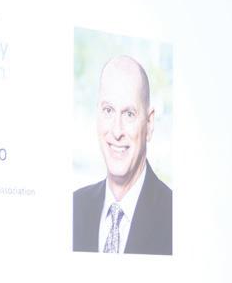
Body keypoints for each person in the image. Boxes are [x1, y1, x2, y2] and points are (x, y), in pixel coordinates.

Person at [73, 55, 172, 255]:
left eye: (129, 114)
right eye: (108, 110)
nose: (117, 131)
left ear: (149, 124)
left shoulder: (175, 215)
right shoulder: (74, 207)